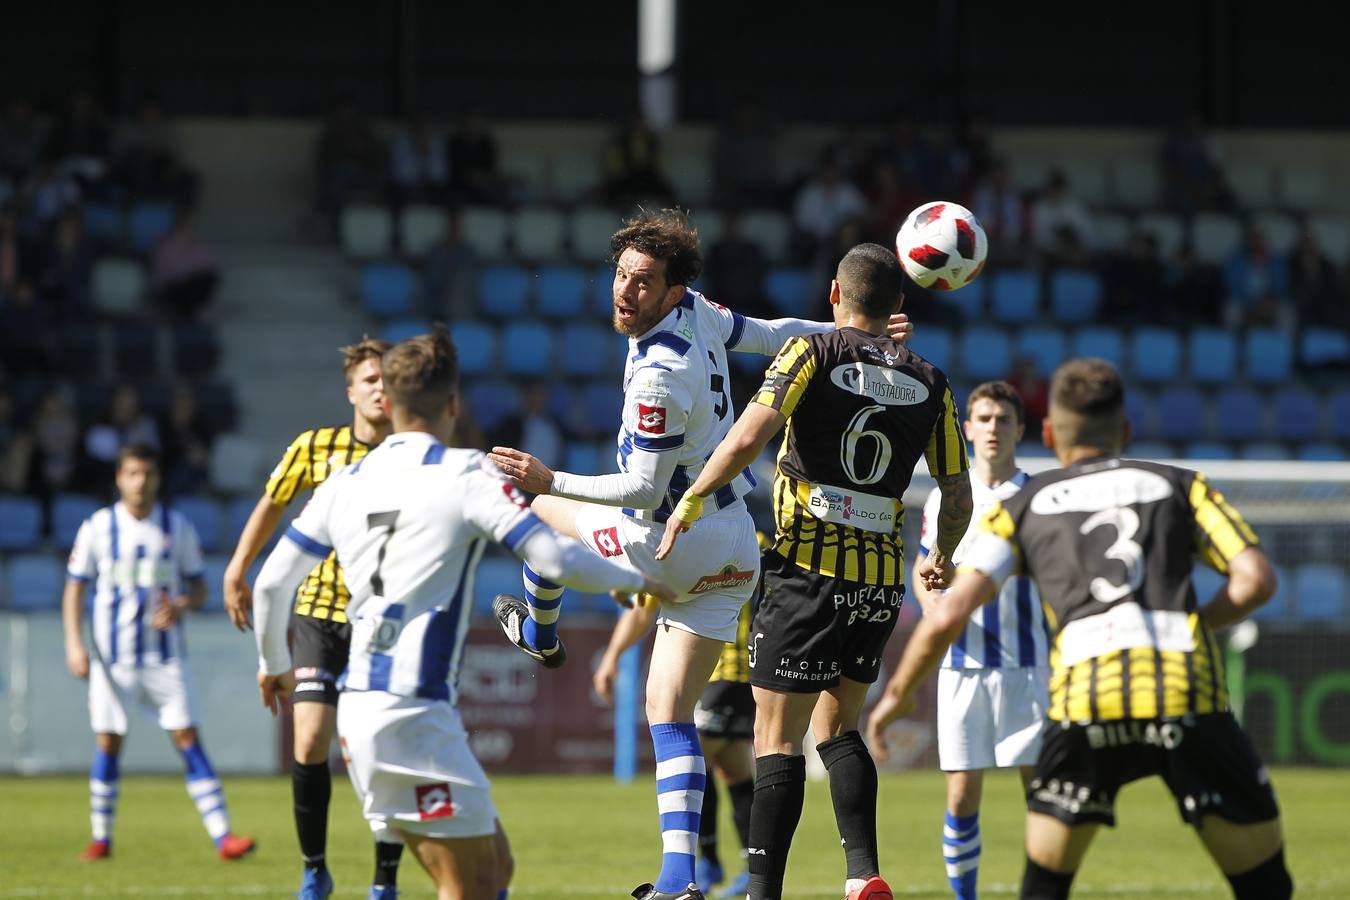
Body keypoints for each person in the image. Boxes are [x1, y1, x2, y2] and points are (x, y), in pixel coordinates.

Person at [487, 210, 913, 900]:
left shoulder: (661, 372)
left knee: (533, 508)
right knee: (670, 713)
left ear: (672, 286)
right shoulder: (698, 313)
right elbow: (775, 335)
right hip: (734, 546)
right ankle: (679, 879)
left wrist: (549, 479)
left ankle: (538, 628)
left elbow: (644, 487)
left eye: (644, 281)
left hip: (671, 539)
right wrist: (856, 335)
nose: (626, 291)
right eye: (622, 275)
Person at [249, 327, 675, 900]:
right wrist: (635, 581)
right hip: (409, 713)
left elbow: (272, 583)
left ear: (392, 406)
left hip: (375, 708)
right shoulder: (467, 474)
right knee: (467, 886)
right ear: (453, 404)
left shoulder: (344, 482)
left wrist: (272, 663)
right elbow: (549, 552)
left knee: (495, 868)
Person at [867, 357, 1292, 900]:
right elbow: (1256, 581)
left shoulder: (1028, 504)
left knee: (1045, 885)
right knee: (1264, 885)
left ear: (1045, 432)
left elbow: (949, 610)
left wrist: (898, 695)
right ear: (1127, 431)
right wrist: (1189, 625)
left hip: (1086, 693)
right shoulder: (1181, 486)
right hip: (1187, 690)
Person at [656, 243, 973, 900]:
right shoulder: (933, 380)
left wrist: (691, 498)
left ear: (834, 293)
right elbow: (957, 490)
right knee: (840, 726)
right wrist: (940, 552)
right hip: (879, 577)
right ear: (899, 307)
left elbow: (748, 437)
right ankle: (862, 873)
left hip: (806, 568)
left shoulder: (812, 352)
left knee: (776, 734)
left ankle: (762, 891)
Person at [222, 337, 408, 900]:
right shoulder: (314, 447)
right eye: (369, 380)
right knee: (309, 743)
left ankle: (385, 880)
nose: (379, 388)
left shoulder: (414, 452)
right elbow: (273, 504)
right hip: (319, 612)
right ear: (350, 391)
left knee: (384, 748)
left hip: (385, 616)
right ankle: (314, 870)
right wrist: (238, 568)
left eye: (386, 379)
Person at [878, 381, 1048, 900]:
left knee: (1043, 797)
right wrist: (931, 605)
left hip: (1030, 666)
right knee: (960, 795)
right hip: (962, 662)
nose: (993, 428)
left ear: (1020, 428)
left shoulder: (1037, 496)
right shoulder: (947, 498)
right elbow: (926, 565)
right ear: (967, 428)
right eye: (984, 418)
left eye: (1003, 419)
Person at [61, 443, 256, 863]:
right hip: (112, 660)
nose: (140, 481)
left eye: (147, 474)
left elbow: (199, 586)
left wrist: (183, 605)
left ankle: (224, 837)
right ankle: (101, 839)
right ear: (119, 478)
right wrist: (74, 643)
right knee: (109, 740)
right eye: (132, 473)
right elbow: (75, 586)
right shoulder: (98, 528)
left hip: (164, 658)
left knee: (188, 736)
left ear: (157, 478)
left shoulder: (176, 527)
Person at [594, 587, 758, 898]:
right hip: (745, 673)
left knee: (693, 758)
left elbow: (640, 609)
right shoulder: (755, 545)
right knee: (733, 769)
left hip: (717, 672)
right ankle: (748, 866)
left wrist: (611, 657)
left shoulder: (679, 555)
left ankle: (702, 866)